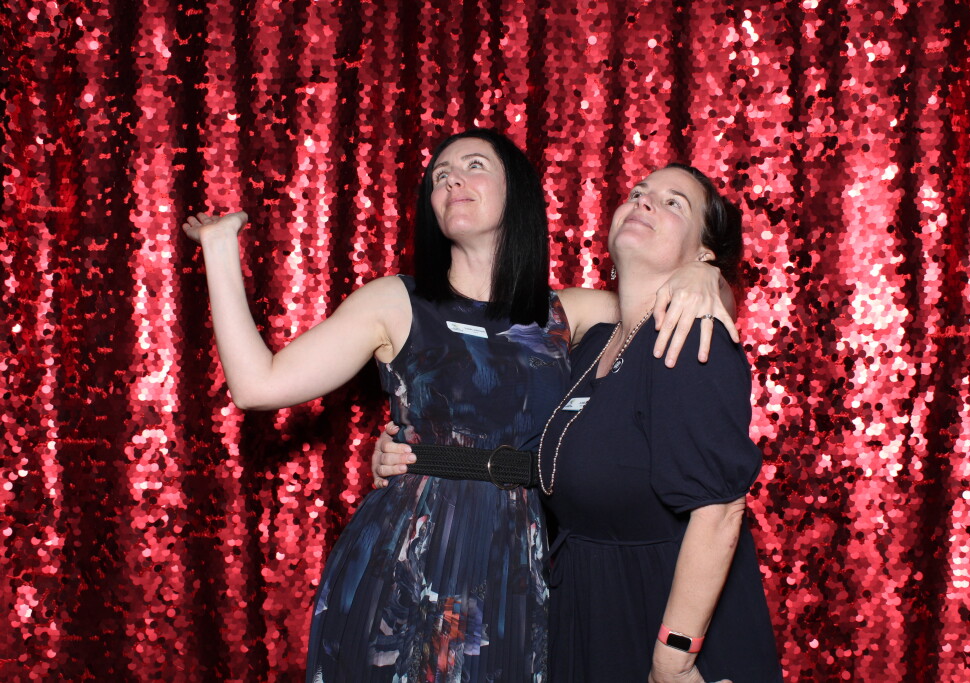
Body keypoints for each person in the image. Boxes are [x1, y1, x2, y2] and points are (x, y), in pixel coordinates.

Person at [182, 130, 733, 682]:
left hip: (521, 569)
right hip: (405, 560)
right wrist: (219, 248)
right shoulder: (394, 301)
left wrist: (705, 274)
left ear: (516, 192)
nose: (451, 180)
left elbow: (668, 304)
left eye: (473, 166)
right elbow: (257, 386)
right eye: (440, 175)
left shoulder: (569, 313)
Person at [538, 164, 781, 681]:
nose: (643, 201)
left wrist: (674, 659)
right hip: (590, 615)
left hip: (666, 627)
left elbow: (719, 509)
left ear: (703, 253)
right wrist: (417, 451)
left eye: (675, 203)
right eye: (637, 193)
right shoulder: (591, 344)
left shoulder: (689, 336)